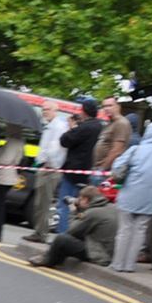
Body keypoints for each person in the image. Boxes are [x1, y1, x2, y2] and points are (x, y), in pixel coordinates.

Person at [108, 121, 152, 273]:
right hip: (151, 197)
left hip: (130, 193)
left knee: (125, 229)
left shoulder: (136, 149)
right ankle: (130, 265)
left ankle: (118, 264)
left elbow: (117, 166)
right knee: (140, 231)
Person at [28, 187, 117, 268]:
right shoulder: (112, 207)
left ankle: (48, 260)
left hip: (99, 255)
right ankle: (54, 257)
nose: (78, 201)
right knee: (77, 235)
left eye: (80, 199)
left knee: (62, 239)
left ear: (86, 200)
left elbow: (71, 231)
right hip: (111, 253)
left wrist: (73, 212)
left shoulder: (93, 213)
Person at [22, 100, 68, 244]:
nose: (44, 111)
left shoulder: (59, 126)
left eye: (47, 109)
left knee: (44, 203)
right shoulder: (50, 126)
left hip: (50, 169)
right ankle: (38, 231)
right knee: (39, 203)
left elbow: (55, 149)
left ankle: (41, 233)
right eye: (43, 109)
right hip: (44, 167)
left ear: (55, 110)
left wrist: (47, 163)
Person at [57, 99, 103, 232]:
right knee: (80, 206)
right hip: (87, 172)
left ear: (84, 111)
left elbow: (65, 140)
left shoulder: (84, 127)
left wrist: (72, 127)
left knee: (66, 203)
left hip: (73, 171)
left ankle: (63, 234)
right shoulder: (99, 126)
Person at [0, 124, 25, 241]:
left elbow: (5, 160)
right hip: (7, 176)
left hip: (4, 176)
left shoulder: (13, 141)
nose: (7, 128)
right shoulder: (18, 141)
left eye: (9, 127)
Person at [92, 97, 131, 184]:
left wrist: (102, 168)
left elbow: (117, 150)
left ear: (118, 106)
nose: (106, 108)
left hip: (105, 173)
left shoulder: (121, 123)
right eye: (104, 106)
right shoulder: (110, 122)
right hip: (99, 169)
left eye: (110, 105)